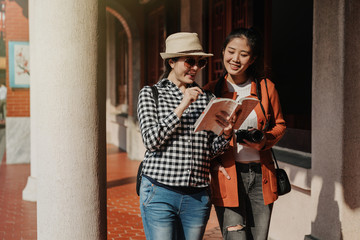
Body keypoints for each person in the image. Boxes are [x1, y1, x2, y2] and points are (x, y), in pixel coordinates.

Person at [137, 32, 236, 240]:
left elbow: (208, 151)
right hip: (159, 191)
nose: (195, 68)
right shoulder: (151, 94)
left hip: (197, 196)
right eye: (190, 61)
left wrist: (226, 135)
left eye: (200, 63)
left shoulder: (207, 98)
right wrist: (182, 106)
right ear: (171, 62)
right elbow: (151, 141)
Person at [204, 28, 286, 240]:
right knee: (235, 237)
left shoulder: (266, 89)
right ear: (222, 51)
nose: (235, 59)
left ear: (253, 58)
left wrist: (264, 141)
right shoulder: (211, 91)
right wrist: (213, 163)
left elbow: (280, 125)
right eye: (231, 51)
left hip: (262, 175)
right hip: (228, 174)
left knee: (259, 237)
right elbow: (202, 137)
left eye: (244, 54)